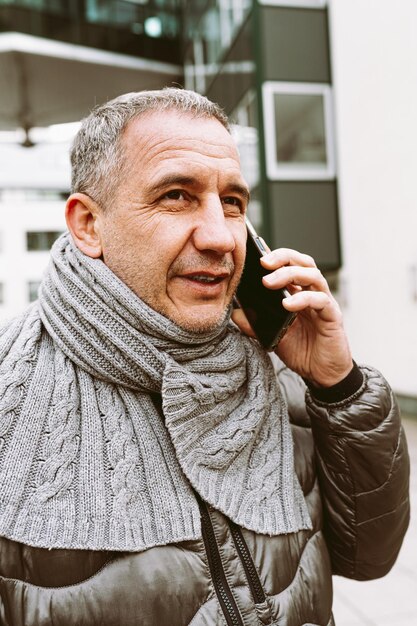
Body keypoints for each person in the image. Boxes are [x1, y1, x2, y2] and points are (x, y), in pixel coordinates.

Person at [0, 88, 409, 626]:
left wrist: (338, 386)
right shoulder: (13, 394)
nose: (221, 236)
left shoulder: (278, 371)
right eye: (176, 196)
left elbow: (369, 556)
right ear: (88, 225)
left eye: (233, 202)